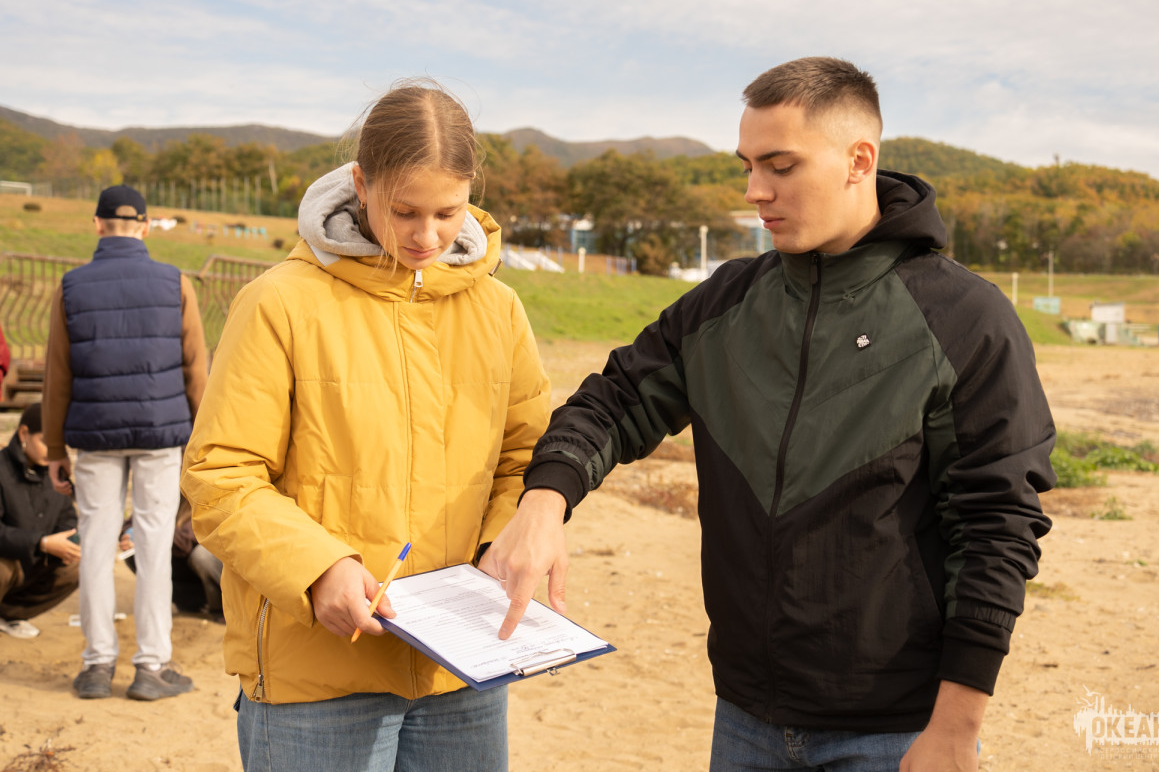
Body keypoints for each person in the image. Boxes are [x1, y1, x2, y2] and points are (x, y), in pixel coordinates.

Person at [482, 57, 1056, 771]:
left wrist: (956, 727)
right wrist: (544, 501)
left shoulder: (967, 319)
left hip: (897, 730)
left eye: (780, 166)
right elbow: (615, 399)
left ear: (859, 161)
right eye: (748, 166)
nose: (756, 191)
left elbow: (998, 527)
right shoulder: (726, 301)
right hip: (745, 717)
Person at [181, 80, 551, 772]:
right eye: (404, 210)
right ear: (360, 182)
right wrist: (318, 569)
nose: (427, 236)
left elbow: (526, 456)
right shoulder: (277, 304)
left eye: (448, 212)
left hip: (460, 671)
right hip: (317, 672)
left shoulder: (499, 311)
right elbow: (220, 477)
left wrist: (505, 543)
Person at [41, 184, 208, 701]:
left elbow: (57, 377)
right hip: (161, 435)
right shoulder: (176, 283)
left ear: (96, 225)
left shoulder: (70, 287)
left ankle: (96, 666)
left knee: (94, 544)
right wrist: (204, 441)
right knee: (155, 545)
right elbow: (195, 371)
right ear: (145, 225)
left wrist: (52, 450)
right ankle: (152, 668)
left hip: (93, 437)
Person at [0, 402, 80, 638]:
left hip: (35, 564)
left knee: (78, 566)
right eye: (46, 442)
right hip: (9, 561)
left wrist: (70, 542)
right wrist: (41, 543)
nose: (52, 450)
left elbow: (67, 517)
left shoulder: (57, 474)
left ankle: (8, 616)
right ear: (24, 433)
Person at [120, 496, 223, 622]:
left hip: (210, 563)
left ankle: (220, 610)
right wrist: (129, 534)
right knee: (135, 555)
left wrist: (148, 538)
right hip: (183, 564)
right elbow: (136, 519)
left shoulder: (206, 489)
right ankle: (191, 606)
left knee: (202, 556)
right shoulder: (166, 488)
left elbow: (188, 540)